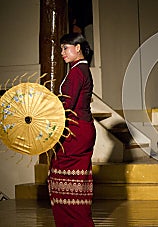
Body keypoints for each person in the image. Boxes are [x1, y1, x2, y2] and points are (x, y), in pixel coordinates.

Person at [47, 33, 96, 226]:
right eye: (60, 49)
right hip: (81, 129)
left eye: (65, 48)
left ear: (78, 48)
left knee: (61, 181)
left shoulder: (77, 71)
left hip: (76, 131)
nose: (61, 53)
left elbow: (67, 105)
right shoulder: (81, 69)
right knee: (74, 185)